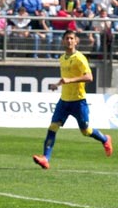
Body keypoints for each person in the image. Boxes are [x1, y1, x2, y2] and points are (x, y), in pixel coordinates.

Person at [32, 30, 112, 169]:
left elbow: (89, 77)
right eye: (67, 38)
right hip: (64, 101)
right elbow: (65, 78)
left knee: (85, 131)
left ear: (76, 41)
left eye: (71, 38)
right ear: (63, 41)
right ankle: (46, 158)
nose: (69, 41)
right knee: (53, 127)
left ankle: (105, 139)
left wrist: (69, 80)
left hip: (78, 101)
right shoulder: (62, 58)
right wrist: (56, 85)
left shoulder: (80, 58)